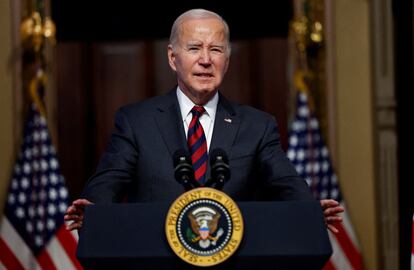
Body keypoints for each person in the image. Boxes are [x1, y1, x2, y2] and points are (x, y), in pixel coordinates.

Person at [65, 9, 343, 233]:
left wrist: (310, 210)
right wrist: (93, 210)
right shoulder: (136, 121)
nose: (206, 60)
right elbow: (107, 185)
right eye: (195, 48)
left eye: (216, 50)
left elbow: (287, 182)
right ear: (173, 58)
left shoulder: (257, 126)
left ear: (228, 60)